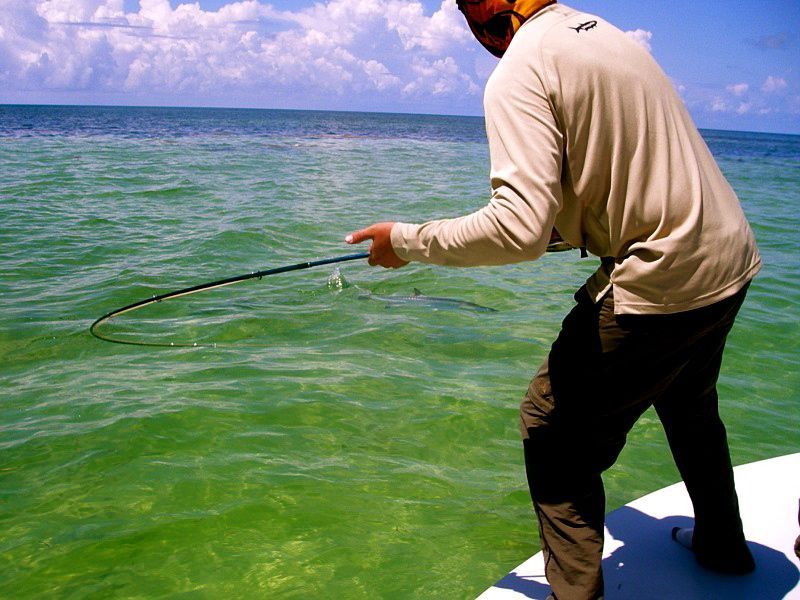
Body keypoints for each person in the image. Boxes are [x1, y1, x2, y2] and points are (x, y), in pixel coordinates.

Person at [346, 1, 761, 598]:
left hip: (662, 275)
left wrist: (405, 242)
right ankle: (723, 547)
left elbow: (517, 230)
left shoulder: (520, 68)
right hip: (728, 257)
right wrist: (567, 227)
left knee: (551, 430)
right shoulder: (606, 36)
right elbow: (619, 178)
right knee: (690, 402)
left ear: (482, 17)